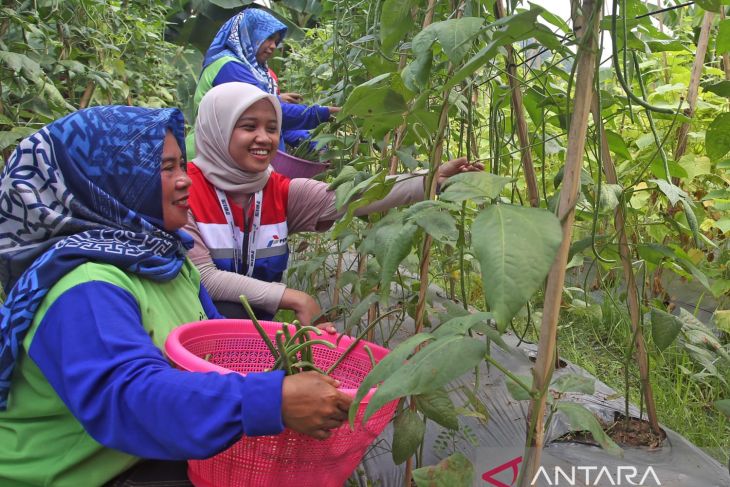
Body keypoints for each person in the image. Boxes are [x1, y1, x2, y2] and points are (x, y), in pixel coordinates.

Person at [0, 106, 351, 487]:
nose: (186, 181)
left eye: (182, 165)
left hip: (141, 454)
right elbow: (129, 398)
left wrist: (296, 353)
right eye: (166, 169)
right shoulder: (84, 286)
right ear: (112, 181)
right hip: (75, 474)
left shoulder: (165, 258)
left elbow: (217, 347)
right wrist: (272, 400)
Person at [185, 82, 482, 325]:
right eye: (249, 127)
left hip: (250, 330)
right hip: (188, 328)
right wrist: (293, 297)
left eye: (272, 128)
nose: (264, 138)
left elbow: (354, 196)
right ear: (218, 129)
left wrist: (430, 180)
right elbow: (204, 279)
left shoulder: (275, 190)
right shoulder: (184, 189)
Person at [185, 7, 337, 157]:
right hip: (209, 156)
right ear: (249, 33)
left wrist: (315, 145)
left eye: (276, 41)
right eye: (268, 38)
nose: (273, 46)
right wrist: (321, 112)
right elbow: (266, 112)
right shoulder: (229, 66)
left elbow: (273, 123)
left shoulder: (256, 72)